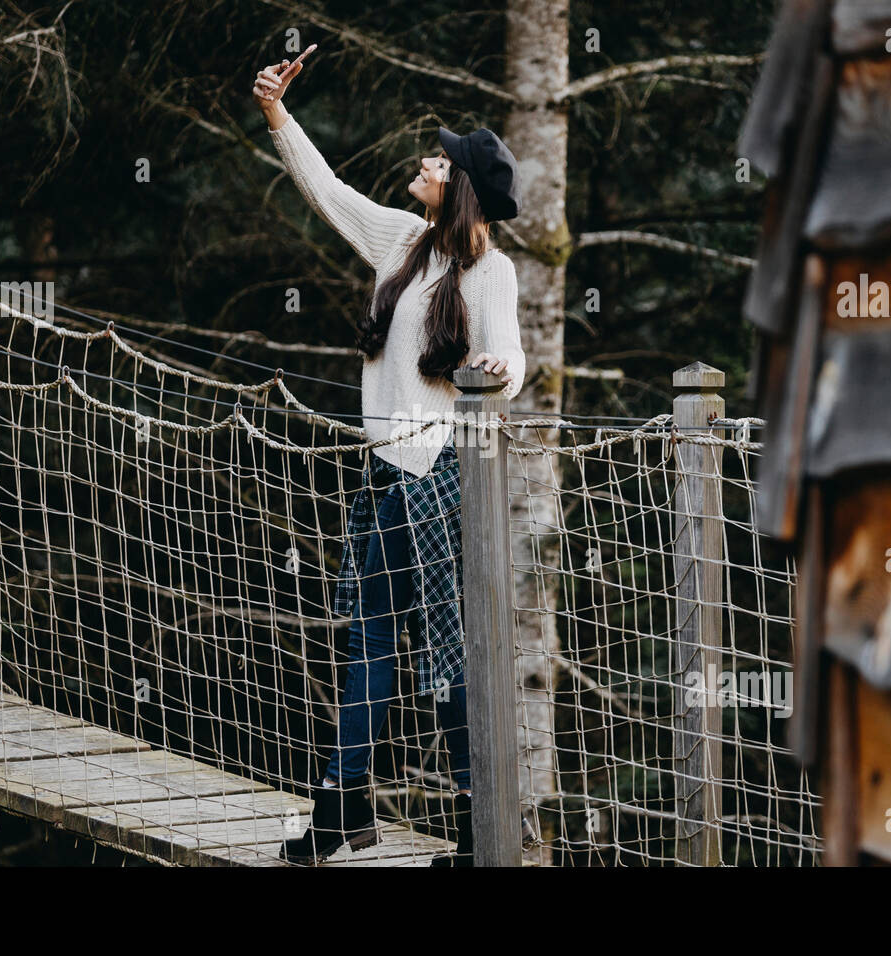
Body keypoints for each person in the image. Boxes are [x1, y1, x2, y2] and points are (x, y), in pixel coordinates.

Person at [252, 45, 526, 866]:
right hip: (382, 480)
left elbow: (510, 364)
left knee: (446, 658)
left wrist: (498, 374)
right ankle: (342, 815)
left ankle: (480, 830)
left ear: (462, 184)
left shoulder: (492, 271)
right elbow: (328, 192)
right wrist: (276, 114)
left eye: (436, 159)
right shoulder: (403, 241)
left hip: (438, 479)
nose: (422, 161)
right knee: (366, 644)